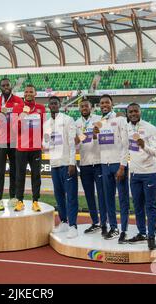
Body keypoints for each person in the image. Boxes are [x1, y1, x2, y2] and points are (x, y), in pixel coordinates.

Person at [93, 94, 130, 243]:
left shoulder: (120, 120)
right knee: (108, 199)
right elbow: (99, 145)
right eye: (102, 103)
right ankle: (113, 227)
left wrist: (123, 165)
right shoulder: (99, 122)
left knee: (122, 199)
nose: (104, 105)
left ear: (112, 104)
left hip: (118, 165)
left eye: (107, 102)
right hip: (104, 164)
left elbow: (125, 144)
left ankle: (124, 230)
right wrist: (95, 136)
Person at [44, 96, 79, 239]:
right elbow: (46, 145)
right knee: (59, 196)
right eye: (51, 104)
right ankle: (64, 222)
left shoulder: (68, 120)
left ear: (60, 105)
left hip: (66, 164)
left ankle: (73, 226)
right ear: (48, 106)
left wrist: (72, 162)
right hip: (55, 164)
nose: (53, 105)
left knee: (71, 196)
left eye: (55, 103)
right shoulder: (46, 124)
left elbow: (72, 144)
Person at [126, 103, 156, 251]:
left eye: (135, 111)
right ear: (127, 114)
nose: (133, 113)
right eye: (130, 112)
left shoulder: (150, 128)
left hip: (149, 173)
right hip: (134, 174)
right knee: (138, 206)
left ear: (140, 112)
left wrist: (144, 145)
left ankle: (151, 236)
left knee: (150, 206)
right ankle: (142, 233)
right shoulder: (127, 128)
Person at [0, 78, 24, 211]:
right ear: (0, 87)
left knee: (15, 171)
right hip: (1, 141)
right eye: (3, 85)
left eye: (7, 85)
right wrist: (0, 116)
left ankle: (12, 197)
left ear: (11, 86)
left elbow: (23, 119)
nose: (6, 87)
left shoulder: (19, 101)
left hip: (15, 141)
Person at [75, 99, 107, 236]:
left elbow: (106, 138)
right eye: (82, 106)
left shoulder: (99, 119)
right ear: (79, 108)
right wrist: (83, 137)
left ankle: (104, 223)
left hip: (99, 163)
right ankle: (95, 222)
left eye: (86, 106)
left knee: (102, 195)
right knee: (89, 196)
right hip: (84, 164)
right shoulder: (76, 123)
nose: (84, 108)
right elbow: (75, 144)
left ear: (91, 108)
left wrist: (96, 135)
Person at [12, 85, 45, 212]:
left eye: (31, 91)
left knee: (36, 176)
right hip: (22, 148)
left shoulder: (41, 108)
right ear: (24, 94)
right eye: (26, 92)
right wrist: (23, 115)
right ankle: (19, 201)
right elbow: (15, 129)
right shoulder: (17, 108)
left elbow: (43, 127)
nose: (28, 93)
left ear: (35, 93)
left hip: (36, 148)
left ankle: (35, 201)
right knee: (20, 176)